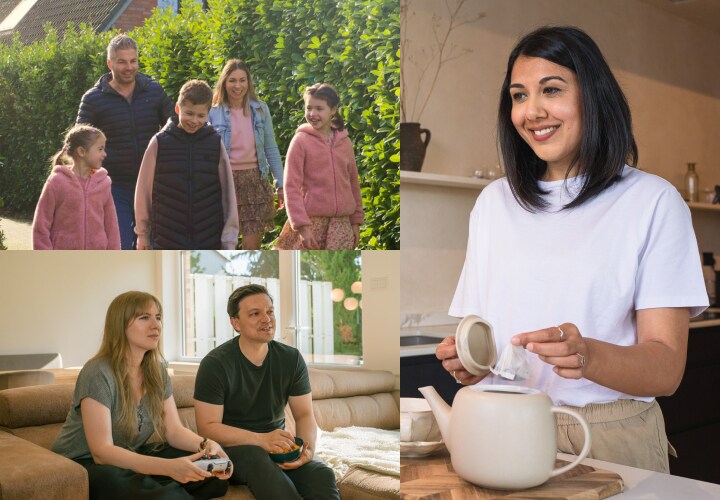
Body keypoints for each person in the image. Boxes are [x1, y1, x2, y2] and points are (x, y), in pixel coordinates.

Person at [435, 26, 708, 473]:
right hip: (501, 425)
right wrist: (469, 363)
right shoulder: (494, 203)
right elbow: (489, 342)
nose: (532, 111)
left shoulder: (653, 202)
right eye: (518, 96)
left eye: (552, 90)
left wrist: (589, 355)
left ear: (594, 96)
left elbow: (666, 368)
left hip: (609, 437)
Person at [51, 291, 232, 500]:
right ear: (120, 325)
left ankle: (157, 486)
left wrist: (206, 444)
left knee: (212, 479)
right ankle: (161, 488)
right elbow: (102, 452)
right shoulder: (98, 372)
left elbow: (174, 431)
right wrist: (168, 468)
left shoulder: (157, 371)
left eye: (158, 317)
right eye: (144, 317)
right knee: (162, 492)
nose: (156, 325)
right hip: (84, 463)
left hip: (131, 454)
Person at [194, 284, 339, 499]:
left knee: (321, 473)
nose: (267, 319)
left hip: (275, 450)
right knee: (255, 457)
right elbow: (207, 428)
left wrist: (307, 451)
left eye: (270, 311)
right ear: (235, 323)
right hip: (227, 452)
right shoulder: (215, 364)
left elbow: (304, 415)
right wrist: (261, 440)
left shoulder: (291, 359)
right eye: (255, 314)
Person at [77, 34, 175, 249]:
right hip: (114, 186)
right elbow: (80, 144)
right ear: (110, 63)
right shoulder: (93, 99)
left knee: (156, 245)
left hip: (153, 184)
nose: (129, 67)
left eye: (133, 61)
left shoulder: (154, 90)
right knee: (120, 245)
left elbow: (174, 125)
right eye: (122, 62)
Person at [134, 79, 239, 250]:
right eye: (189, 113)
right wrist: (142, 235)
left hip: (208, 239)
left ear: (208, 113)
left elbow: (228, 194)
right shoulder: (159, 142)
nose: (194, 120)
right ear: (178, 108)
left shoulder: (215, 143)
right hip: (166, 240)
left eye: (201, 115)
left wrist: (229, 240)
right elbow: (143, 192)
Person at [276, 83, 364, 250]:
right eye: (309, 108)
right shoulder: (300, 142)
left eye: (319, 108)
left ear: (333, 110)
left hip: (341, 226)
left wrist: (355, 222)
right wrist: (302, 226)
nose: (312, 114)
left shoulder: (345, 143)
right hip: (311, 224)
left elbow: (353, 183)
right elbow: (291, 187)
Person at [208, 60, 284, 250]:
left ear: (248, 82)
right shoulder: (212, 112)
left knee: (252, 247)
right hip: (224, 182)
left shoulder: (260, 109)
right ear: (224, 82)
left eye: (243, 80)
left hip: (255, 183)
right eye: (232, 80)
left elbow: (271, 149)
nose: (238, 86)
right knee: (225, 244)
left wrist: (281, 184)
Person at [32, 124, 120, 250]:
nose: (105, 154)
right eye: (100, 149)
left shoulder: (103, 184)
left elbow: (112, 228)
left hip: (97, 262)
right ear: (82, 152)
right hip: (63, 262)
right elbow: (41, 226)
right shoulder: (57, 182)